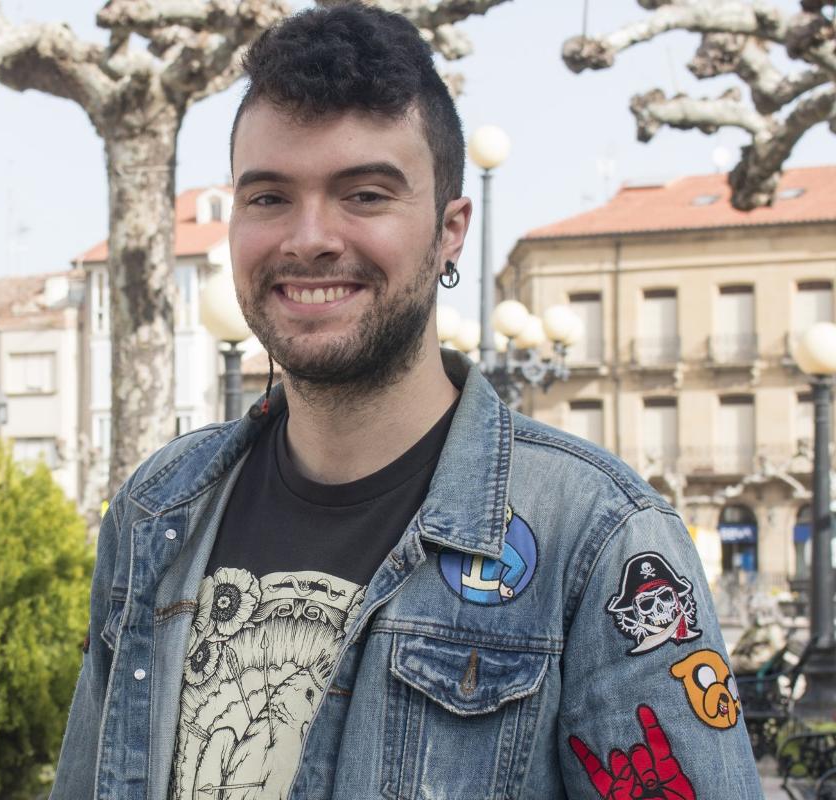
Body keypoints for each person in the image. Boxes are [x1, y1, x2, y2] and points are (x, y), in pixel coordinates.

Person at [51, 4, 761, 798]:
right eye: (268, 198)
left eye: (365, 195)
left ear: (450, 229)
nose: (309, 237)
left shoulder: (596, 540)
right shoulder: (158, 510)